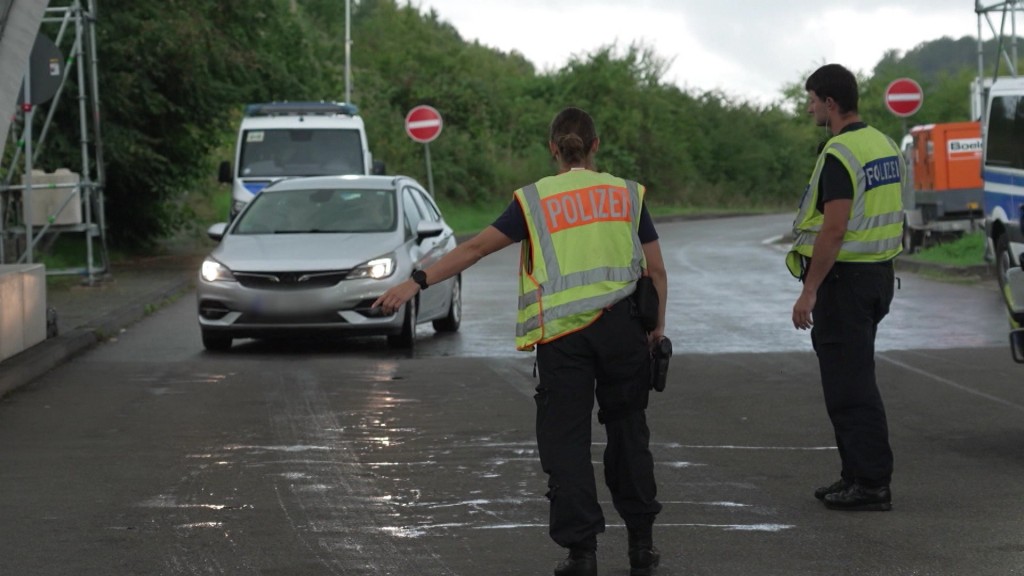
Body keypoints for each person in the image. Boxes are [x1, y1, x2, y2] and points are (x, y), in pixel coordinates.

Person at [373, 106, 668, 576]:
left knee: (567, 444)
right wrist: (655, 330)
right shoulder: (626, 194)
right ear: (595, 147)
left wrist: (416, 282)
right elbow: (655, 270)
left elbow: (474, 248)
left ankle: (582, 555)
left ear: (553, 148)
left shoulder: (535, 200)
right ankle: (640, 546)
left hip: (563, 339)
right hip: (623, 332)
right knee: (629, 436)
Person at [787, 64, 906, 512]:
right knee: (852, 377)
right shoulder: (885, 144)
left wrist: (809, 290)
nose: (810, 106)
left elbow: (834, 229)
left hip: (847, 281)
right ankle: (855, 474)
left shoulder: (840, 153)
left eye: (813, 99)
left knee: (850, 386)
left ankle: (872, 483)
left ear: (830, 103)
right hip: (877, 276)